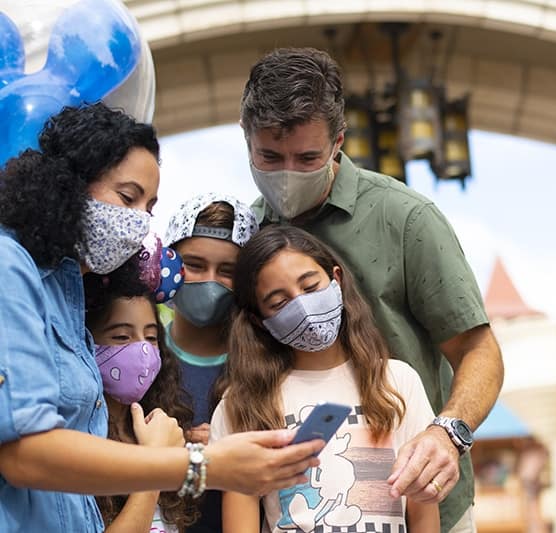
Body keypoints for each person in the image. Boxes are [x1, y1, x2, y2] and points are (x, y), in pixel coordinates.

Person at [0, 102, 325, 533]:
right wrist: (200, 464)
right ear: (66, 186)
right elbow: (25, 454)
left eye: (149, 207)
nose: (137, 222)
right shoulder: (10, 267)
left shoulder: (70, 294)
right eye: (126, 197)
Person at [241, 47, 504, 532]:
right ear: (246, 140)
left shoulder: (406, 219)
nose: (287, 173)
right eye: (269, 156)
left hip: (423, 504)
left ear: (339, 142)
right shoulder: (248, 231)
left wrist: (448, 434)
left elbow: (479, 349)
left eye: (307, 157)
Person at [209, 225, 440, 532]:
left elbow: (424, 511)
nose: (302, 305)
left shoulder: (398, 381)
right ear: (259, 321)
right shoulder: (242, 402)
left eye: (310, 286)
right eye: (279, 303)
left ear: (337, 279)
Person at [163, 192, 260, 533]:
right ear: (169, 261)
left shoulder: (264, 366)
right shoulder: (137, 354)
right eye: (195, 265)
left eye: (228, 270)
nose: (209, 280)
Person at [86, 291, 196, 533]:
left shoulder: (162, 427)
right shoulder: (77, 441)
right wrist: (155, 459)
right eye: (122, 336)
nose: (143, 350)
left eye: (151, 337)